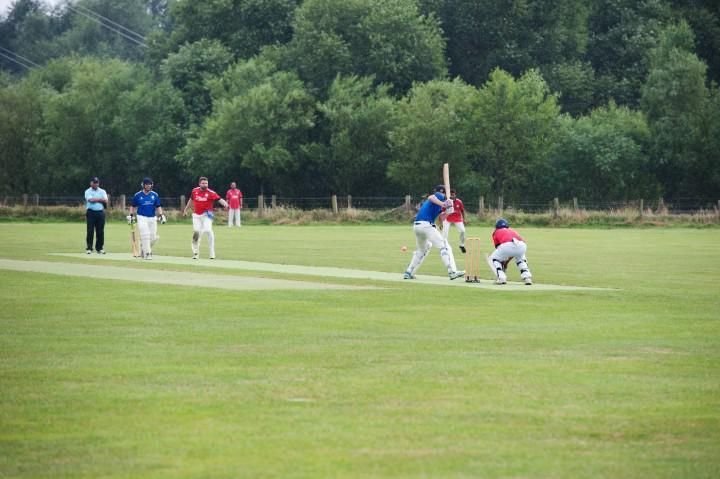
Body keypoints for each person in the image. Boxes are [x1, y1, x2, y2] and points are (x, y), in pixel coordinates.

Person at [403, 185, 464, 280]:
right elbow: (431, 197)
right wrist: (444, 204)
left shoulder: (437, 204)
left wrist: (449, 211)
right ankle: (451, 272)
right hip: (426, 225)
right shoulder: (439, 195)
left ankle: (408, 272)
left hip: (417, 226)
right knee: (443, 246)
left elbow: (441, 218)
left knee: (422, 250)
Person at [182, 176, 228, 259]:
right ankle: (196, 253)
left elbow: (219, 199)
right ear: (199, 184)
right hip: (196, 216)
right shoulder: (195, 191)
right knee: (196, 233)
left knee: (208, 230)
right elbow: (191, 200)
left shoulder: (211, 192)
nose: (205, 185)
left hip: (207, 215)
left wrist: (225, 204)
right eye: (203, 183)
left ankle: (212, 252)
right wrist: (185, 210)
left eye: (206, 183)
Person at [129, 178, 166, 260]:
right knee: (145, 235)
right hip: (141, 217)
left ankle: (143, 247)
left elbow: (158, 206)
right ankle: (148, 253)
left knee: (153, 237)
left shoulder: (155, 195)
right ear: (143, 185)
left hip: (152, 218)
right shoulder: (138, 195)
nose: (149, 186)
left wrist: (161, 215)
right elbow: (132, 206)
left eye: (150, 184)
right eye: (147, 184)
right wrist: (131, 216)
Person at [488, 218, 533, 285]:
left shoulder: (496, 232)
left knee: (493, 259)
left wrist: (505, 262)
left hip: (507, 245)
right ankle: (527, 278)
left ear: (496, 226)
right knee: (521, 258)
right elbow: (514, 250)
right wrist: (506, 262)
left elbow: (500, 249)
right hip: (522, 245)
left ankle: (501, 278)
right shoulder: (512, 230)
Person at [84, 176, 108, 254]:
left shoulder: (102, 191)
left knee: (100, 231)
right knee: (90, 231)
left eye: (97, 183)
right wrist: (100, 200)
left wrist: (96, 199)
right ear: (91, 183)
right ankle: (89, 248)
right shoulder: (88, 191)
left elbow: (106, 200)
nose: (95, 184)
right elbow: (90, 200)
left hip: (100, 213)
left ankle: (99, 248)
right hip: (91, 212)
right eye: (94, 183)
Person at [441, 189, 467, 253]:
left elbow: (462, 211)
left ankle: (462, 245)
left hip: (457, 218)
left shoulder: (459, 202)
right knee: (445, 233)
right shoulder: (446, 202)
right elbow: (442, 212)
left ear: (455, 195)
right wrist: (441, 222)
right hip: (447, 218)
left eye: (453, 195)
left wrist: (464, 219)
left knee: (462, 231)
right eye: (450, 195)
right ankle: (444, 247)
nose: (452, 196)